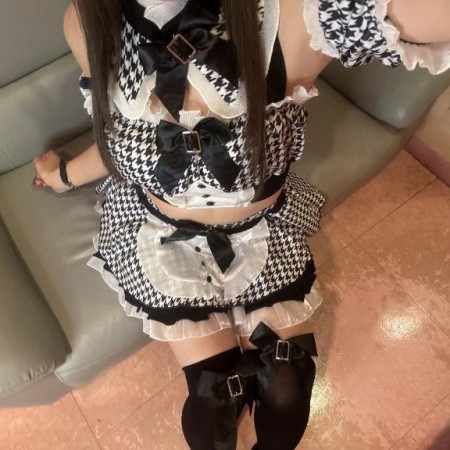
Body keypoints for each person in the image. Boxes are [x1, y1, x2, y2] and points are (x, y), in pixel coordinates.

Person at [33, 1, 450, 448]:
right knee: (215, 409)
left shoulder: (291, 14)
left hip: (260, 235)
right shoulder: (87, 19)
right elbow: (114, 137)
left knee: (286, 390)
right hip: (162, 239)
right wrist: (64, 176)